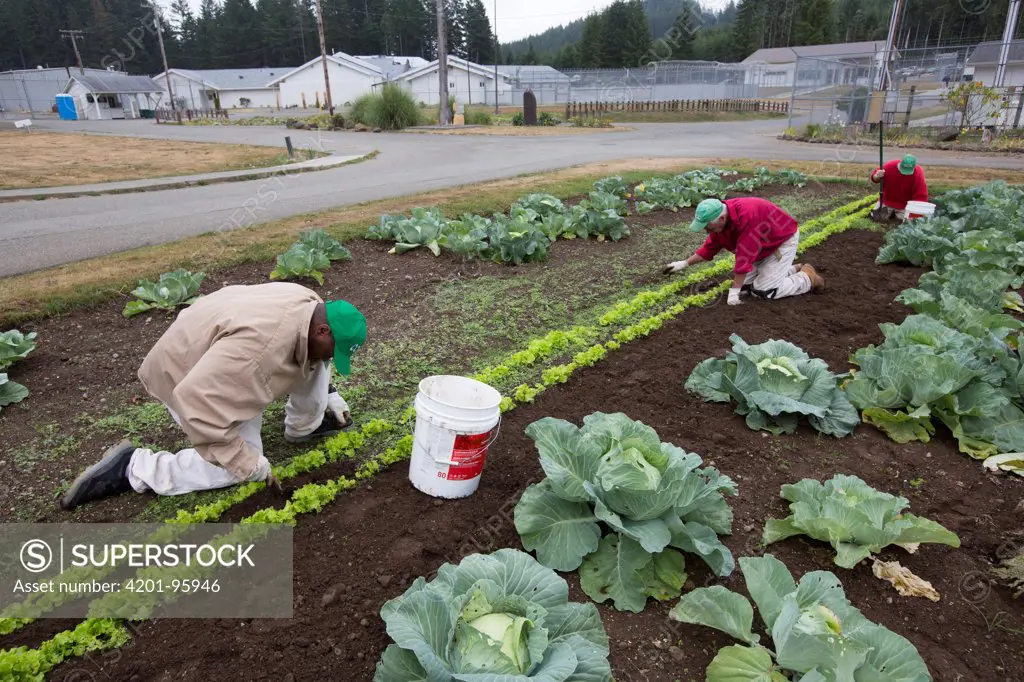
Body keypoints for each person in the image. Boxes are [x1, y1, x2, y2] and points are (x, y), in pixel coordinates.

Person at [60, 283, 367, 510]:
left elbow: (312, 358)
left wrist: (327, 393)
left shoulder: (309, 303)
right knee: (233, 467)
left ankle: (303, 428)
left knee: (312, 364)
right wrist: (248, 463)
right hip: (184, 374)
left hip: (216, 350)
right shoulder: (256, 357)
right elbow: (199, 406)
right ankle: (132, 468)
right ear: (323, 331)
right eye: (333, 352)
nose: (330, 361)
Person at [662, 197, 824, 306]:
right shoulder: (720, 223)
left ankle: (807, 278)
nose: (705, 230)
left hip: (780, 241)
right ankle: (790, 269)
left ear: (721, 219)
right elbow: (709, 248)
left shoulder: (747, 216)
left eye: (707, 226)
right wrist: (683, 264)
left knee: (764, 291)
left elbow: (744, 258)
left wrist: (733, 293)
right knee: (747, 287)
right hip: (761, 247)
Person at [870, 153, 928, 221]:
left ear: (914, 167)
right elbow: (875, 178)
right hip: (887, 201)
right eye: (903, 169)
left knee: (908, 221)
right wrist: (877, 176)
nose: (905, 174)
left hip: (904, 205)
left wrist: (916, 212)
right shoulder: (889, 166)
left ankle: (896, 214)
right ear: (900, 163)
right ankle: (890, 212)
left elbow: (921, 196)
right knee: (877, 217)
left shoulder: (918, 173)